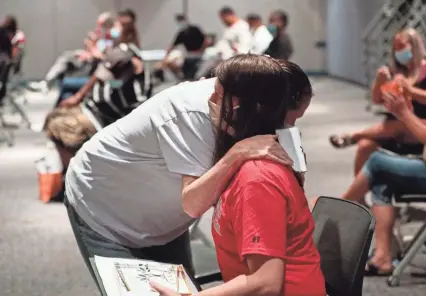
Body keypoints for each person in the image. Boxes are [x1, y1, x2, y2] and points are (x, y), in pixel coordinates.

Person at [63, 55, 294, 290]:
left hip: (164, 218)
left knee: (179, 289)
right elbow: (194, 204)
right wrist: (235, 154)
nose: (210, 98)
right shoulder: (195, 113)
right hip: (104, 207)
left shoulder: (262, 114)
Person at [151, 60, 325, 296]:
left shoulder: (257, 178)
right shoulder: (242, 164)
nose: (210, 101)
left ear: (235, 105)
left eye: (217, 94)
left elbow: (266, 284)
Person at [341, 90, 426, 275]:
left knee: (377, 162)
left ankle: (334, 213)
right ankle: (382, 257)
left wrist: (404, 114)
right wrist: (405, 116)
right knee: (381, 179)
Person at [329, 28, 426, 177]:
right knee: (364, 146)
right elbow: (377, 100)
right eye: (395, 48)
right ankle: (359, 198)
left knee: (404, 121)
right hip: (392, 128)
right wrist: (379, 82)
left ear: (414, 46)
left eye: (401, 47)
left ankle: (354, 136)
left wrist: (411, 91)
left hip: (421, 127)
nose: (398, 51)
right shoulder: (396, 70)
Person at [44, 18, 145, 169]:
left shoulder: (124, 52)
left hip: (106, 115)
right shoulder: (121, 50)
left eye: (116, 27)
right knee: (55, 116)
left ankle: (72, 175)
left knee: (56, 124)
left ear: (127, 32)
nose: (112, 30)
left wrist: (78, 97)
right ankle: (68, 175)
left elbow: (99, 74)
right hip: (98, 108)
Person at [28, 12, 115, 93]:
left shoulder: (113, 39)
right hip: (89, 62)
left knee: (67, 62)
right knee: (67, 57)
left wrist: (91, 47)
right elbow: (95, 52)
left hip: (96, 70)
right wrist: (89, 49)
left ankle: (48, 84)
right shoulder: (102, 38)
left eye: (100, 25)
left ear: (107, 26)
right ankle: (47, 83)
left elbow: (103, 56)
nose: (98, 28)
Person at [154, 14, 206, 81]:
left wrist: (201, 50)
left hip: (199, 55)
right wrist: (165, 58)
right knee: (186, 73)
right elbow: (172, 46)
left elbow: (205, 40)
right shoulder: (181, 33)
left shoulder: (195, 29)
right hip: (189, 56)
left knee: (195, 74)